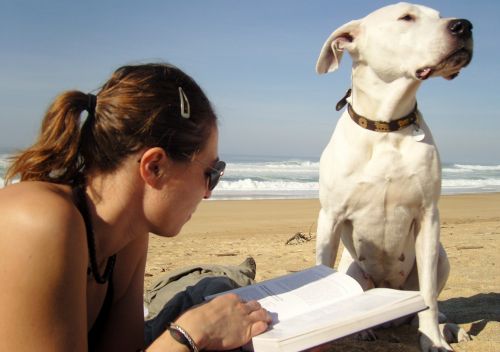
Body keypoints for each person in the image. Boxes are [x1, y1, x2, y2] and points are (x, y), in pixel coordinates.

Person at [0, 63, 271, 351]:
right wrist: (187, 335)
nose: (208, 194)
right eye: (212, 173)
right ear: (154, 167)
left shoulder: (127, 236)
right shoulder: (39, 222)